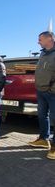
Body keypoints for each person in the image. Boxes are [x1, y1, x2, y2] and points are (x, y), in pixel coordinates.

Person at [29, 31, 55, 159]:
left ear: (49, 38)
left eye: (40, 39)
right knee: (42, 116)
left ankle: (54, 148)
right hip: (41, 91)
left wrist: (51, 89)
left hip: (52, 93)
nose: (38, 42)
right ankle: (43, 139)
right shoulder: (43, 53)